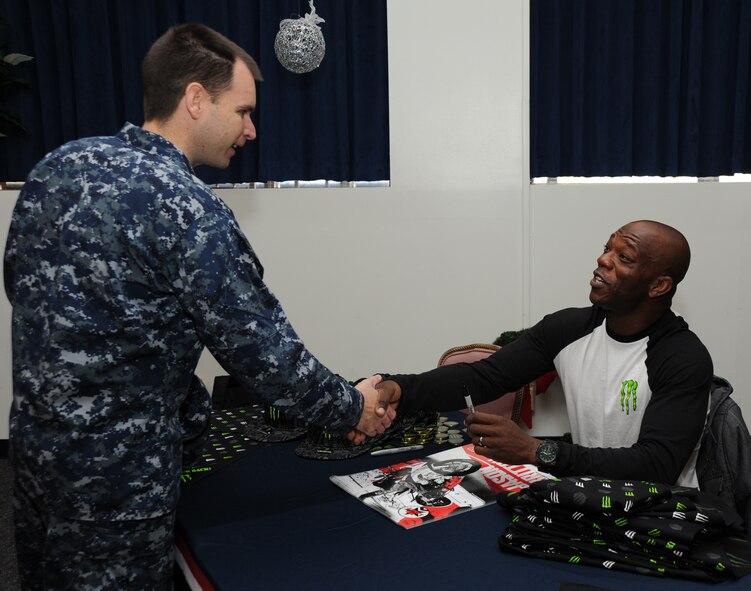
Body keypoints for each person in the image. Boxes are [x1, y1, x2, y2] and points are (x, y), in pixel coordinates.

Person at [3, 23, 393, 590]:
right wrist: (352, 406)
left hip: (36, 460)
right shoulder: (186, 207)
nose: (251, 130)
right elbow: (263, 355)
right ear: (194, 99)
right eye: (242, 111)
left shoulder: (56, 167)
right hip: (119, 482)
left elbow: (23, 287)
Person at [375, 220, 713, 488]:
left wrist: (535, 450)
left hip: (658, 508)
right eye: (607, 247)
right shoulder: (568, 328)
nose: (603, 260)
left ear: (658, 286)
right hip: (584, 492)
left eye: (623, 258)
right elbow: (483, 377)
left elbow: (657, 466)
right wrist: (399, 388)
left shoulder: (682, 357)